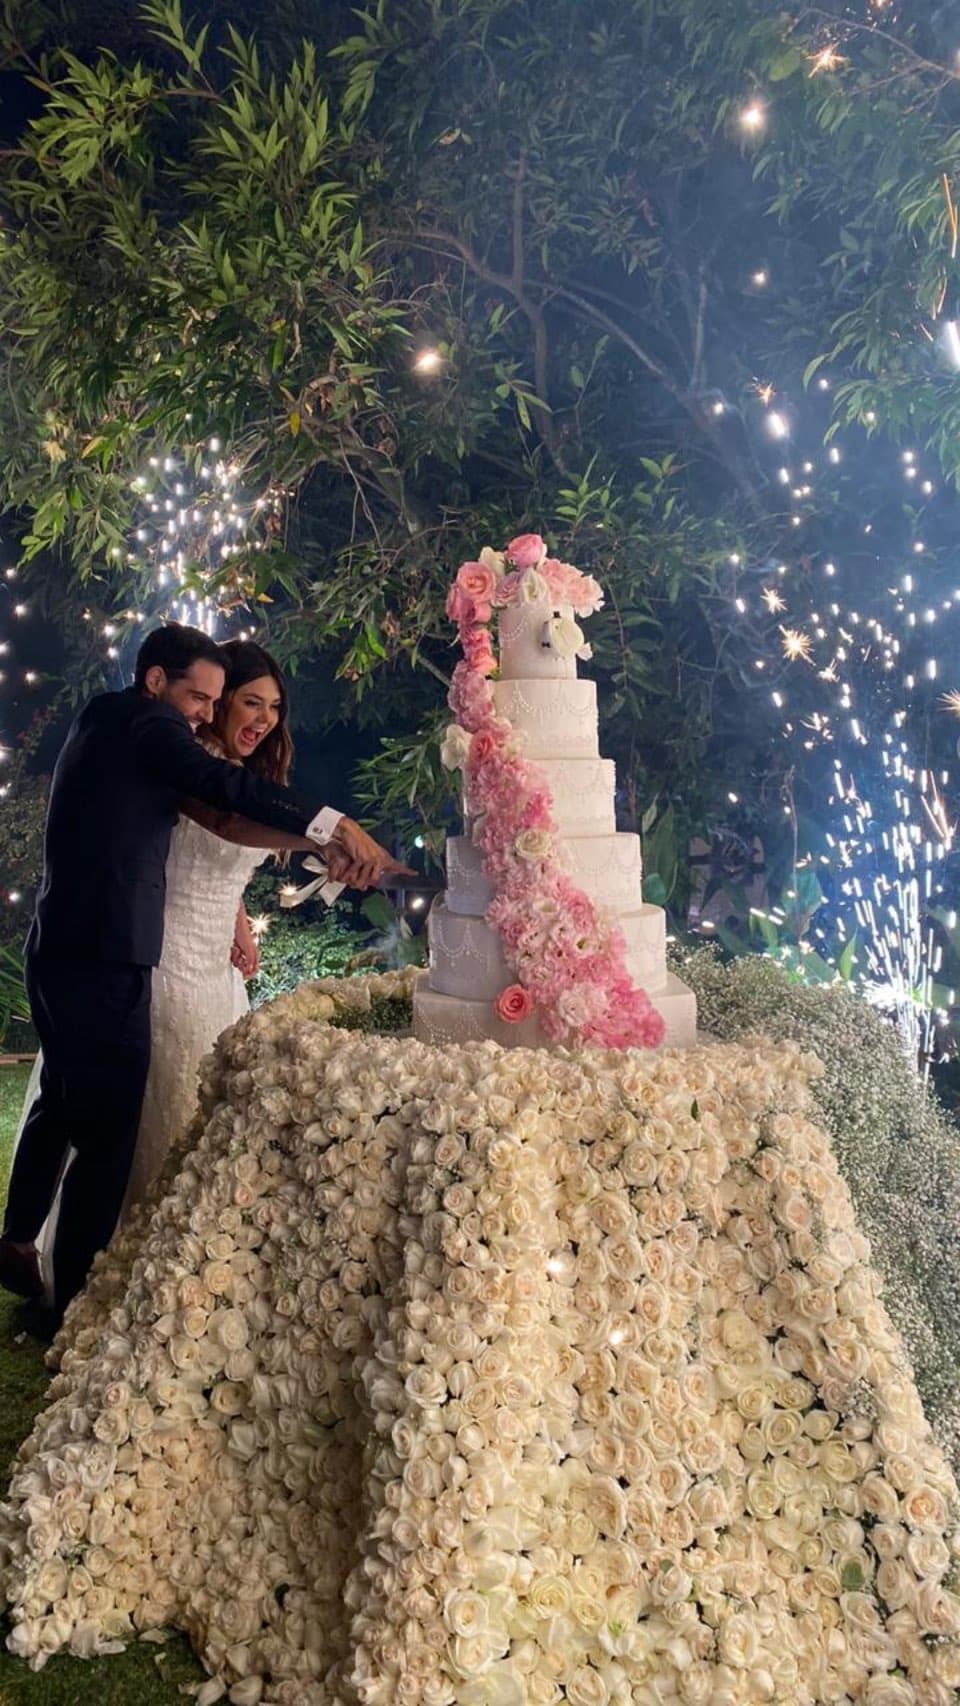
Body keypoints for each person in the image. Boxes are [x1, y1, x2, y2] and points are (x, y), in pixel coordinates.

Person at [0, 623, 406, 1318]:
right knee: (109, 1143)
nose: (207, 712)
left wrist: (269, 890)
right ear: (158, 682)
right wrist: (331, 825)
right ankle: (77, 1305)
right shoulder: (154, 731)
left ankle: (18, 1244)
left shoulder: (110, 719)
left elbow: (230, 824)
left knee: (64, 1103)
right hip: (118, 957)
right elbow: (222, 804)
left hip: (72, 946)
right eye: (207, 697)